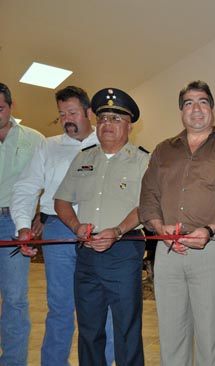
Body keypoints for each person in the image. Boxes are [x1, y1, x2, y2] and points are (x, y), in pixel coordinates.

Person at [139, 80, 215, 366]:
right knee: (172, 335)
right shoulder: (163, 150)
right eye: (188, 103)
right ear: (181, 111)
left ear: (212, 109)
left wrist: (208, 230)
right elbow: (149, 193)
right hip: (168, 250)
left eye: (202, 102)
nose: (196, 108)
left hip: (211, 247)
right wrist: (158, 226)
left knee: (211, 337)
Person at [11, 85, 115, 366]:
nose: (67, 119)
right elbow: (27, 186)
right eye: (61, 114)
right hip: (58, 232)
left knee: (100, 306)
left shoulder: (108, 142)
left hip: (98, 232)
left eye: (72, 112)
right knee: (60, 307)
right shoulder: (49, 146)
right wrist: (23, 225)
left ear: (89, 112)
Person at [54, 87, 149, 366]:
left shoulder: (144, 161)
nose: (108, 124)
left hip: (123, 251)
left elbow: (147, 206)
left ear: (130, 125)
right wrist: (75, 226)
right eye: (104, 118)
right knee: (89, 329)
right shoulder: (83, 158)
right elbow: (61, 200)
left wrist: (118, 231)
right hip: (86, 254)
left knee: (127, 330)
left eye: (116, 119)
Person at [0, 82, 44, 366]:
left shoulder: (35, 139)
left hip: (14, 224)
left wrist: (39, 216)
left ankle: (13, 361)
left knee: (15, 297)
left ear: (11, 106)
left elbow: (48, 183)